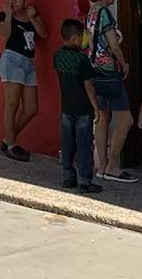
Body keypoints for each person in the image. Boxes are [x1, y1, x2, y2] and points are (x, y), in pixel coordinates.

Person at [86, 0, 134, 182]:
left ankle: (101, 165)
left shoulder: (91, 12)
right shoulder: (104, 13)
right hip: (108, 72)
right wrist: (124, 64)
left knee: (103, 118)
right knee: (125, 119)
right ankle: (113, 165)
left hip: (94, 71)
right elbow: (113, 45)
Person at [52, 18, 103, 195]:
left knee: (67, 143)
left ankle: (68, 176)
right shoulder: (82, 60)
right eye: (82, 36)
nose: (84, 39)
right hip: (83, 109)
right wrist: (96, 107)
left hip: (67, 107)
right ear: (75, 38)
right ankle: (85, 180)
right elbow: (89, 86)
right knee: (83, 144)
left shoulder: (57, 56)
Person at [0, 0, 46, 161]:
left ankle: (7, 139)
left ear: (25, 0)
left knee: (32, 108)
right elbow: (5, 34)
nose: (14, 1)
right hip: (12, 59)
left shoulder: (31, 13)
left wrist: (33, 18)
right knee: (12, 103)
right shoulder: (4, 15)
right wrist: (9, 13)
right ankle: (11, 145)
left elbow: (43, 33)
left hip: (28, 62)